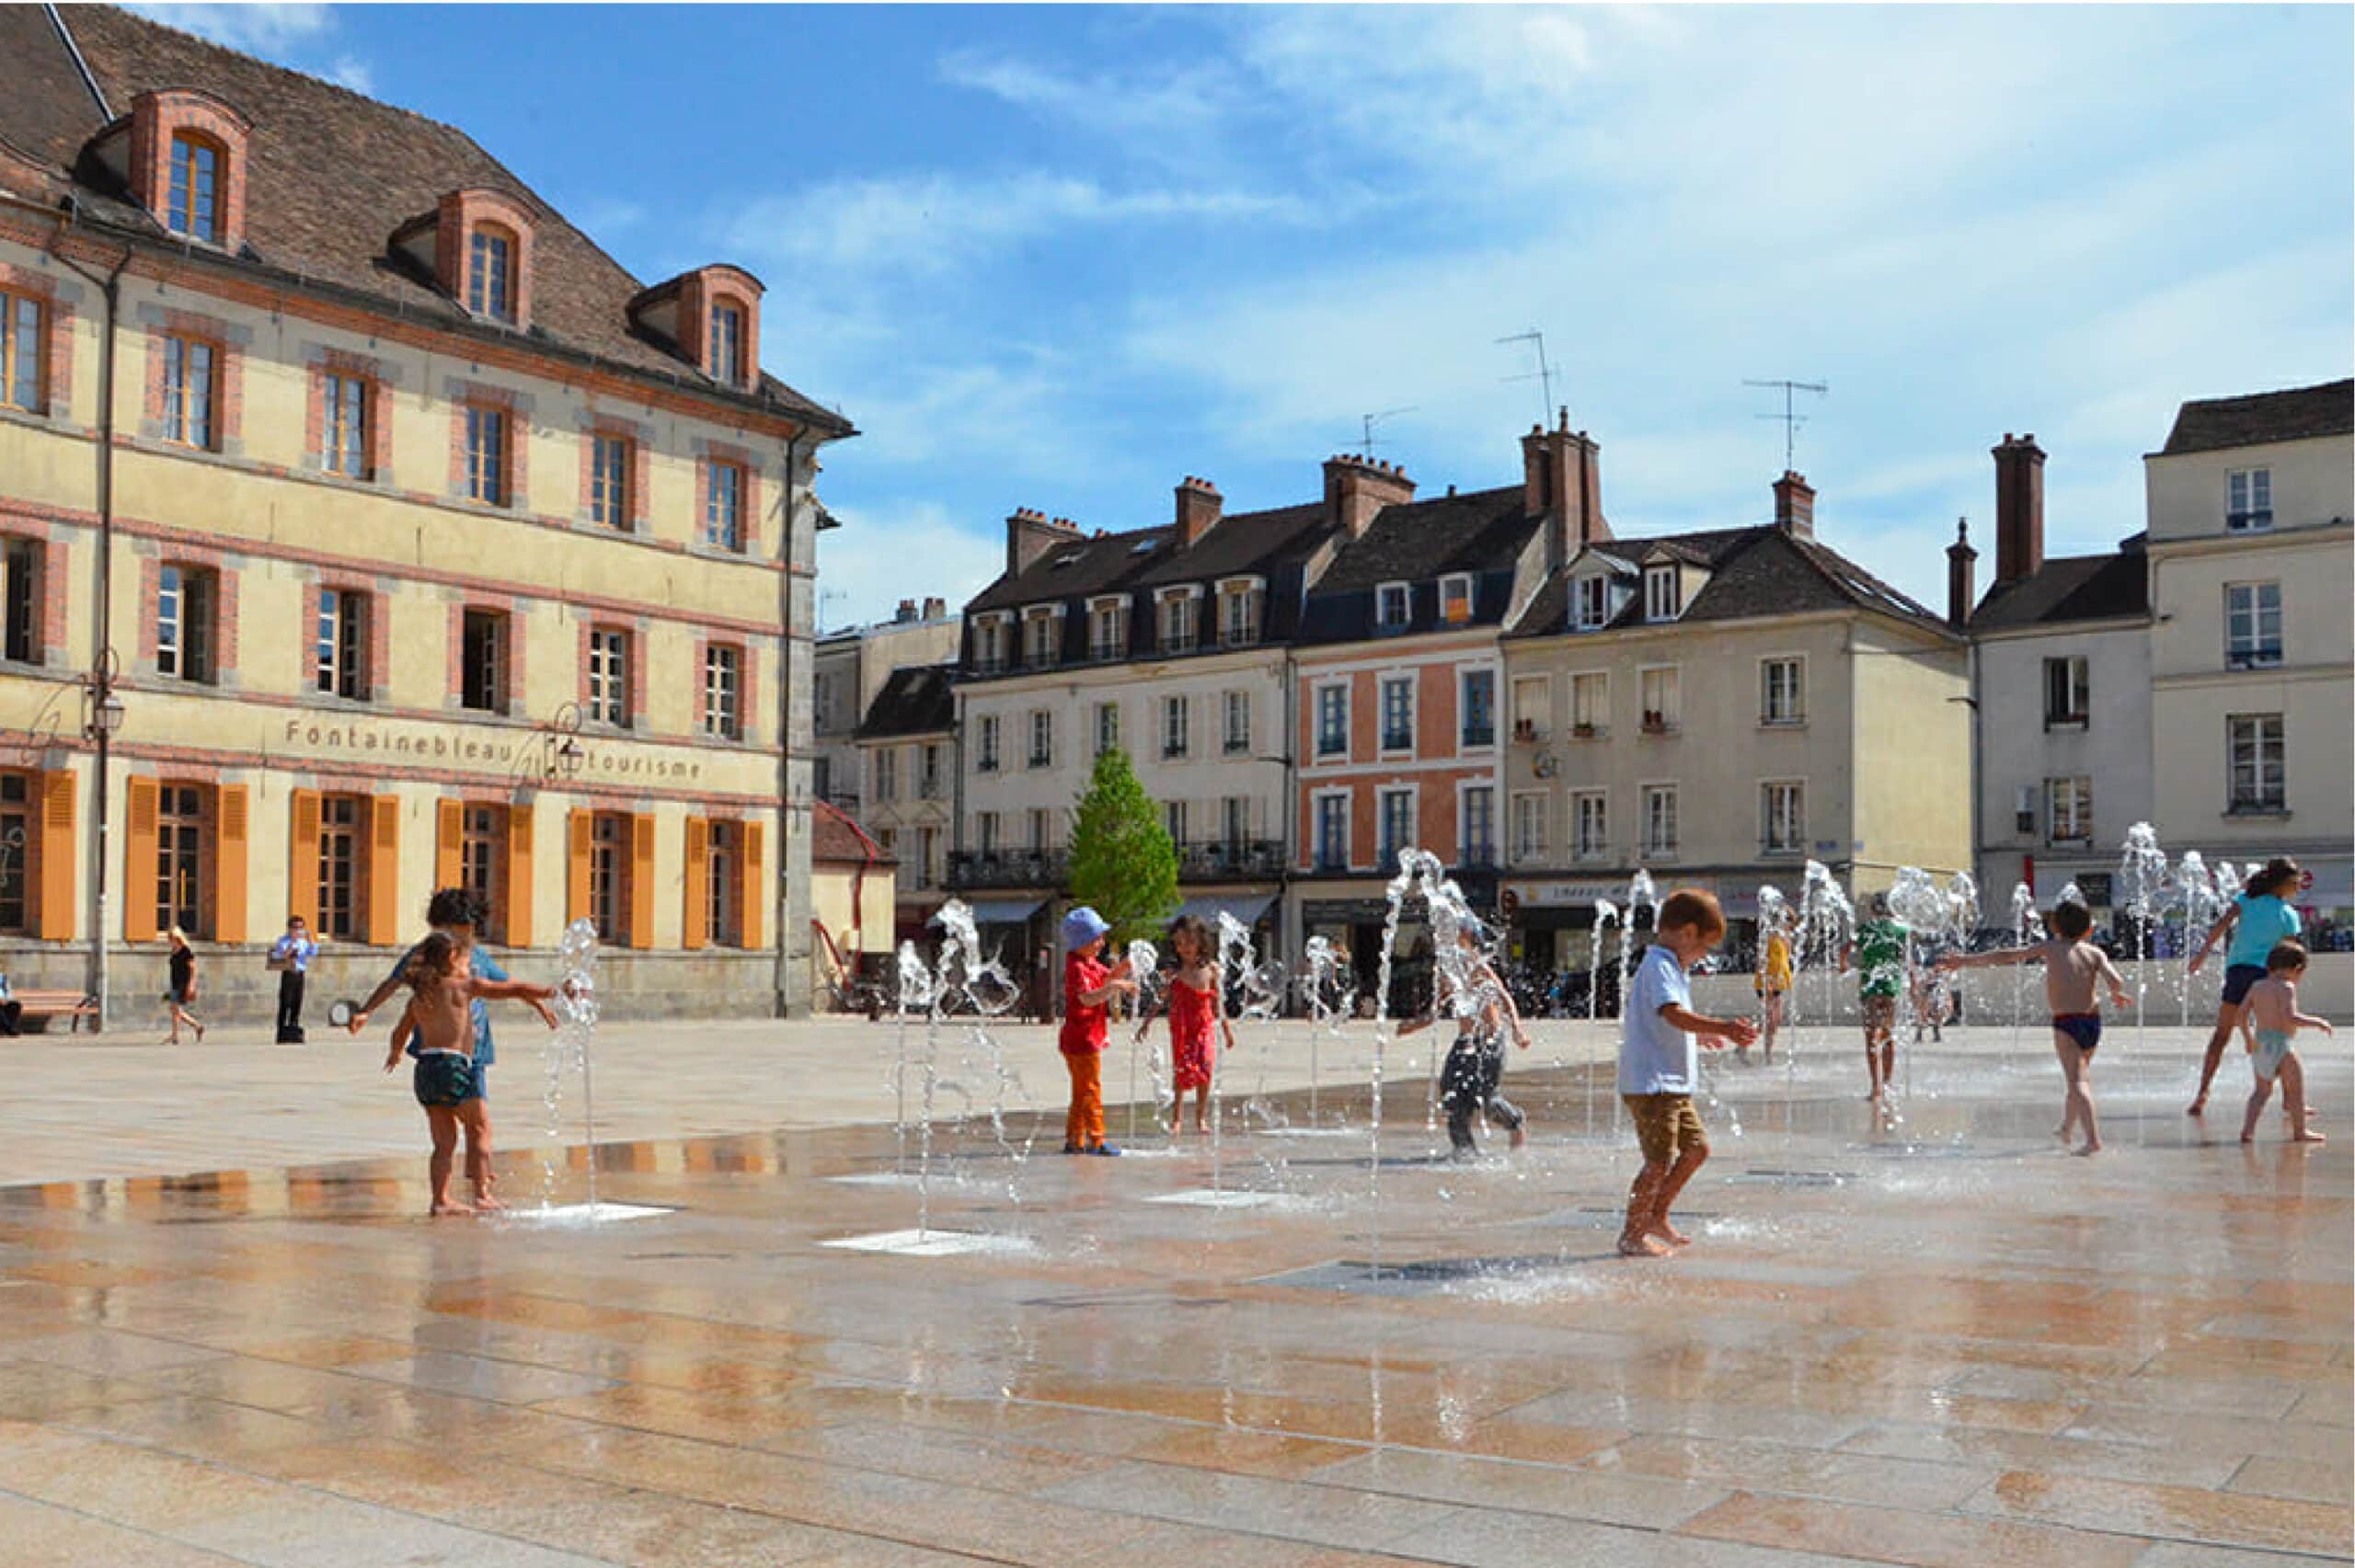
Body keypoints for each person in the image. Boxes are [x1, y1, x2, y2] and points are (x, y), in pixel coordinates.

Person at [350, 889, 554, 1209]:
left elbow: (507, 983)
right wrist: (366, 1010)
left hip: (443, 1061)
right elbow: (393, 982)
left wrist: (539, 1006)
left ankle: (444, 1197)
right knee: (480, 1126)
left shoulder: (468, 960)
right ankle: (482, 1192)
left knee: (447, 1138)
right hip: (458, 1060)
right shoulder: (434, 958)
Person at [1617, 889, 1758, 1258]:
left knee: (1696, 1149)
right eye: (1704, 948)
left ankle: (1656, 1214)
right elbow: (1673, 1015)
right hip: (1652, 1085)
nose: (1703, 957)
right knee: (1658, 1161)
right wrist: (1724, 1028)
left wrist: (1702, 1036)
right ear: (1687, 933)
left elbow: (1661, 1026)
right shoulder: (1660, 965)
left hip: (1671, 1085)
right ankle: (1632, 1234)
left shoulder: (1670, 966)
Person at [1938, 898, 2129, 1156]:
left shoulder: (2050, 948)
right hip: (2092, 1021)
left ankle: (2093, 1140)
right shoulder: (2095, 953)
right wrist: (2117, 994)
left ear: (2055, 926)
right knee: (2077, 1077)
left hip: (2066, 1023)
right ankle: (2066, 1129)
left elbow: (2008, 956)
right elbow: (2115, 979)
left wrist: (1964, 961)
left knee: (2078, 1080)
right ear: (2088, 930)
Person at [1401, 921, 1533, 1158]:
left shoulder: (1476, 964)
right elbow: (1437, 1008)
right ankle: (1465, 1152)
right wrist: (1414, 1024)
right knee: (1452, 1095)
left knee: (1487, 1100)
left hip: (1490, 1041)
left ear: (1466, 936)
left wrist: (1517, 1031)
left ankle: (1516, 1123)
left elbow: (1504, 997)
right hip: (1465, 1041)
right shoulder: (1448, 968)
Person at [2187, 858, 2303, 1116]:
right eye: (2295, 884)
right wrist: (2294, 978)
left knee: (2221, 1034)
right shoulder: (2288, 915)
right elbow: (2292, 951)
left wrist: (2202, 954)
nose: (2298, 888)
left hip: (2238, 971)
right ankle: (2288, 1100)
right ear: (2283, 884)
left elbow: (2222, 925)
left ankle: (2202, 1092)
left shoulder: (2246, 900)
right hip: (2268, 975)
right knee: (2279, 1036)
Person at [1141, 914, 1233, 1135]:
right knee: (1181, 1069)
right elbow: (1159, 999)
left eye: (1189, 942)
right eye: (1179, 943)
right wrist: (1146, 1023)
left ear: (1201, 941)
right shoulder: (1174, 973)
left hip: (1204, 1025)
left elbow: (1218, 1002)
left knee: (1205, 1067)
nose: (1184, 948)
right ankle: (1177, 1118)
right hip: (1181, 1026)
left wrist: (1227, 1030)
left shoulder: (1210, 970)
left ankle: (1201, 1117)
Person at [2234, 941, 2332, 1145]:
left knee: (2261, 1092)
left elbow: (2241, 1015)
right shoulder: (2286, 987)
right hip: (2283, 1045)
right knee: (2295, 1091)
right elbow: (2290, 1017)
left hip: (2260, 1044)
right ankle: (2300, 1132)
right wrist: (2317, 1022)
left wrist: (2248, 1039)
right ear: (2297, 969)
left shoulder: (2257, 986)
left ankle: (2248, 1130)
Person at [1058, 906, 1135, 1156]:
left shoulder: (1089, 963)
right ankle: (1097, 1139)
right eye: (1095, 938)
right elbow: (1086, 999)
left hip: (1087, 1037)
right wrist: (1115, 986)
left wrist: (1123, 969)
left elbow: (1107, 977)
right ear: (1081, 941)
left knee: (1082, 1091)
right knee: (1090, 1088)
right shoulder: (1076, 968)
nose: (1101, 943)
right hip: (1080, 1039)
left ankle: (1075, 1140)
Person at [1842, 894, 1907, 1103]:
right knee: (1888, 1035)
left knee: (1871, 1037)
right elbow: (1907, 957)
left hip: (1870, 988)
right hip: (1890, 987)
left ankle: (1875, 1088)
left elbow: (1845, 949)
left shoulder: (1866, 930)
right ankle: (1887, 1083)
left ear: (1872, 910)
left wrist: (1843, 965)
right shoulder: (1899, 930)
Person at [1750, 913, 1793, 1063]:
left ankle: (1763, 1050)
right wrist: (1766, 984)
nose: (1788, 924)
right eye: (1786, 920)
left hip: (1778, 984)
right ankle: (1757, 1049)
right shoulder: (1768, 937)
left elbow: (1785, 960)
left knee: (1774, 1020)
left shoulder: (1784, 939)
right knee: (1769, 1019)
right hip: (1766, 983)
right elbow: (1761, 961)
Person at [269, 916, 319, 1044]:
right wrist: (291, 946)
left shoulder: (304, 942)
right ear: (290, 928)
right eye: (295, 928)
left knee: (297, 1002)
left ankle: (293, 1030)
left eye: (300, 927)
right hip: (288, 973)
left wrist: (310, 940)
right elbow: (279, 956)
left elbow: (313, 953)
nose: (298, 930)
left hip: (299, 973)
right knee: (285, 1003)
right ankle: (281, 1033)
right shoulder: (283, 941)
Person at [163, 926, 204, 1046]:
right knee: (175, 1010)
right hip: (175, 983)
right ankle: (197, 1026)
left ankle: (175, 1036)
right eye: (169, 938)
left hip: (183, 983)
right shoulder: (173, 951)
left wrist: (191, 984)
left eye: (172, 938)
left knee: (175, 1009)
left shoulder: (186, 951)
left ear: (178, 938)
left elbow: (192, 968)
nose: (170, 940)